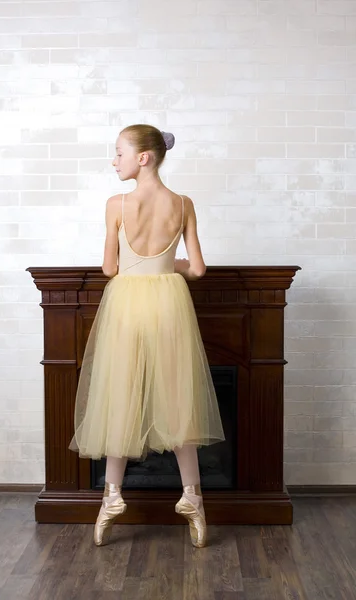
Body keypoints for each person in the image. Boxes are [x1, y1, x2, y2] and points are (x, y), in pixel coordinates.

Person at [69, 124, 225, 548]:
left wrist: (142, 268)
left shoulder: (117, 204)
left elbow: (109, 269)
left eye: (118, 152)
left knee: (121, 395)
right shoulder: (183, 203)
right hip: (169, 305)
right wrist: (165, 266)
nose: (113, 160)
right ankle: (193, 499)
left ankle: (111, 498)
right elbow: (197, 269)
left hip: (127, 305)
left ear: (143, 157)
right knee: (179, 399)